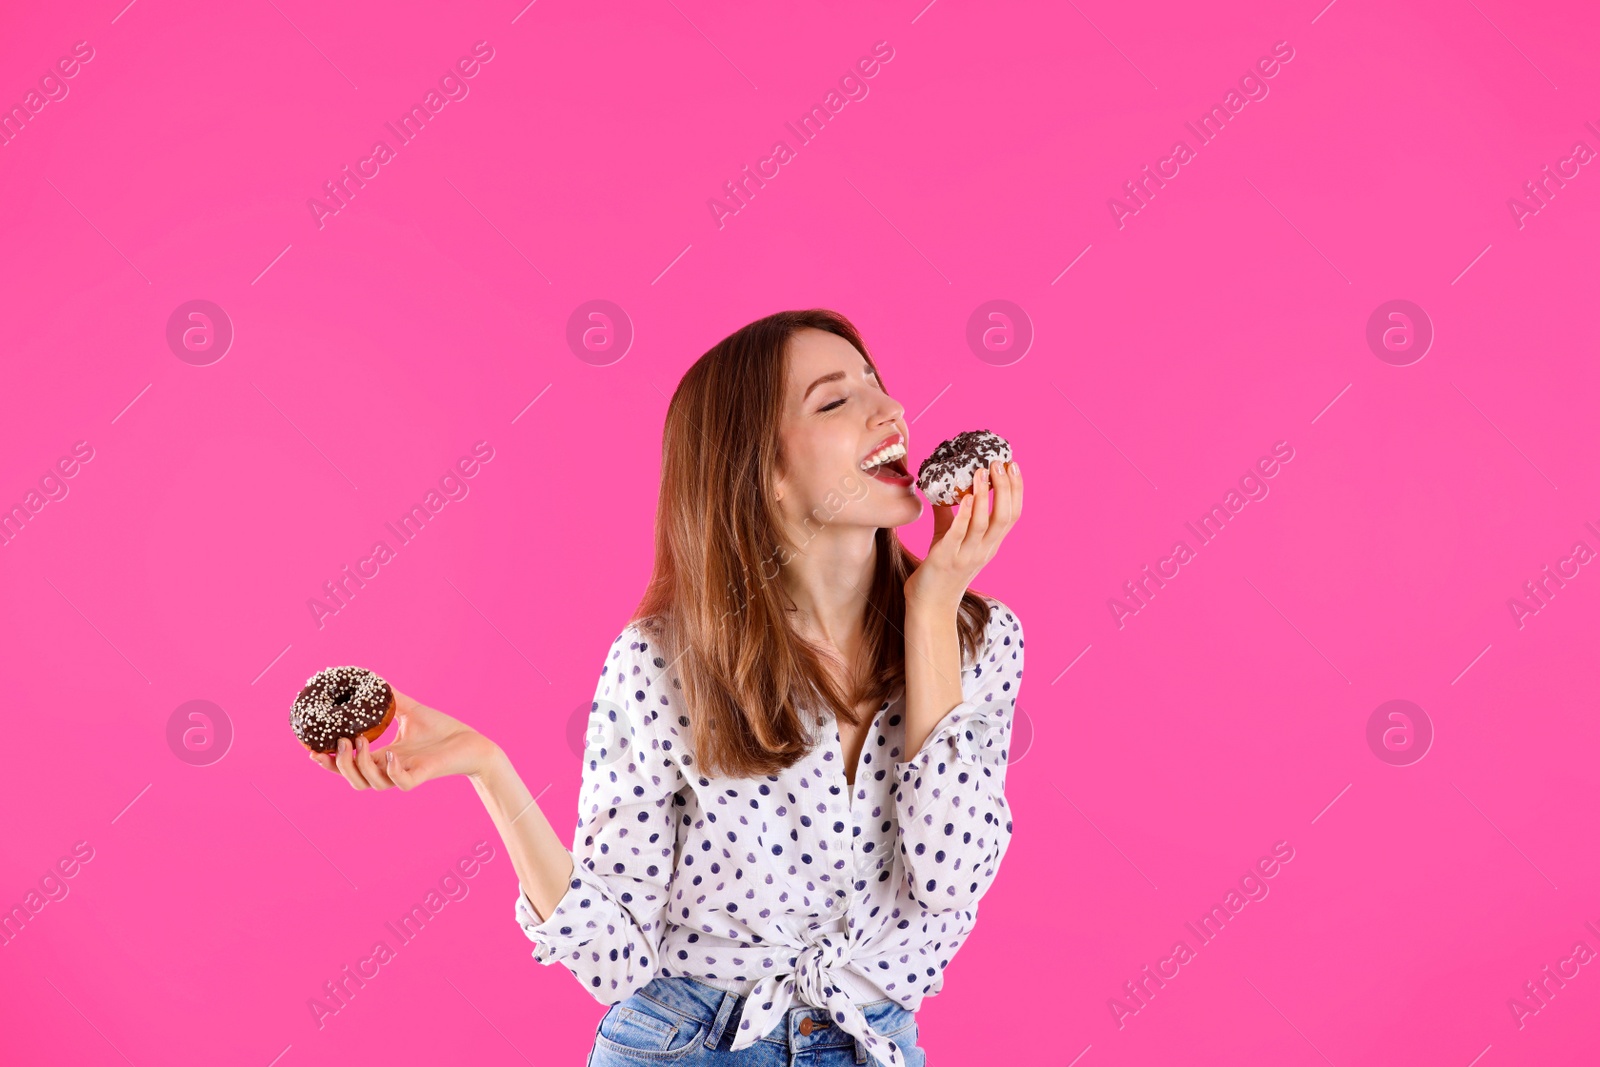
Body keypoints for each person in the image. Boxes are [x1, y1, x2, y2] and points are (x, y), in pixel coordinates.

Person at [310, 309, 1025, 1066]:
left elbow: (951, 876)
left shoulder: (979, 640)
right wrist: (490, 768)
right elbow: (615, 957)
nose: (893, 411)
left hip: (874, 1041)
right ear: (766, 473)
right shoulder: (662, 663)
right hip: (691, 1042)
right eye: (834, 399)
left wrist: (935, 608)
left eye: (876, 384)